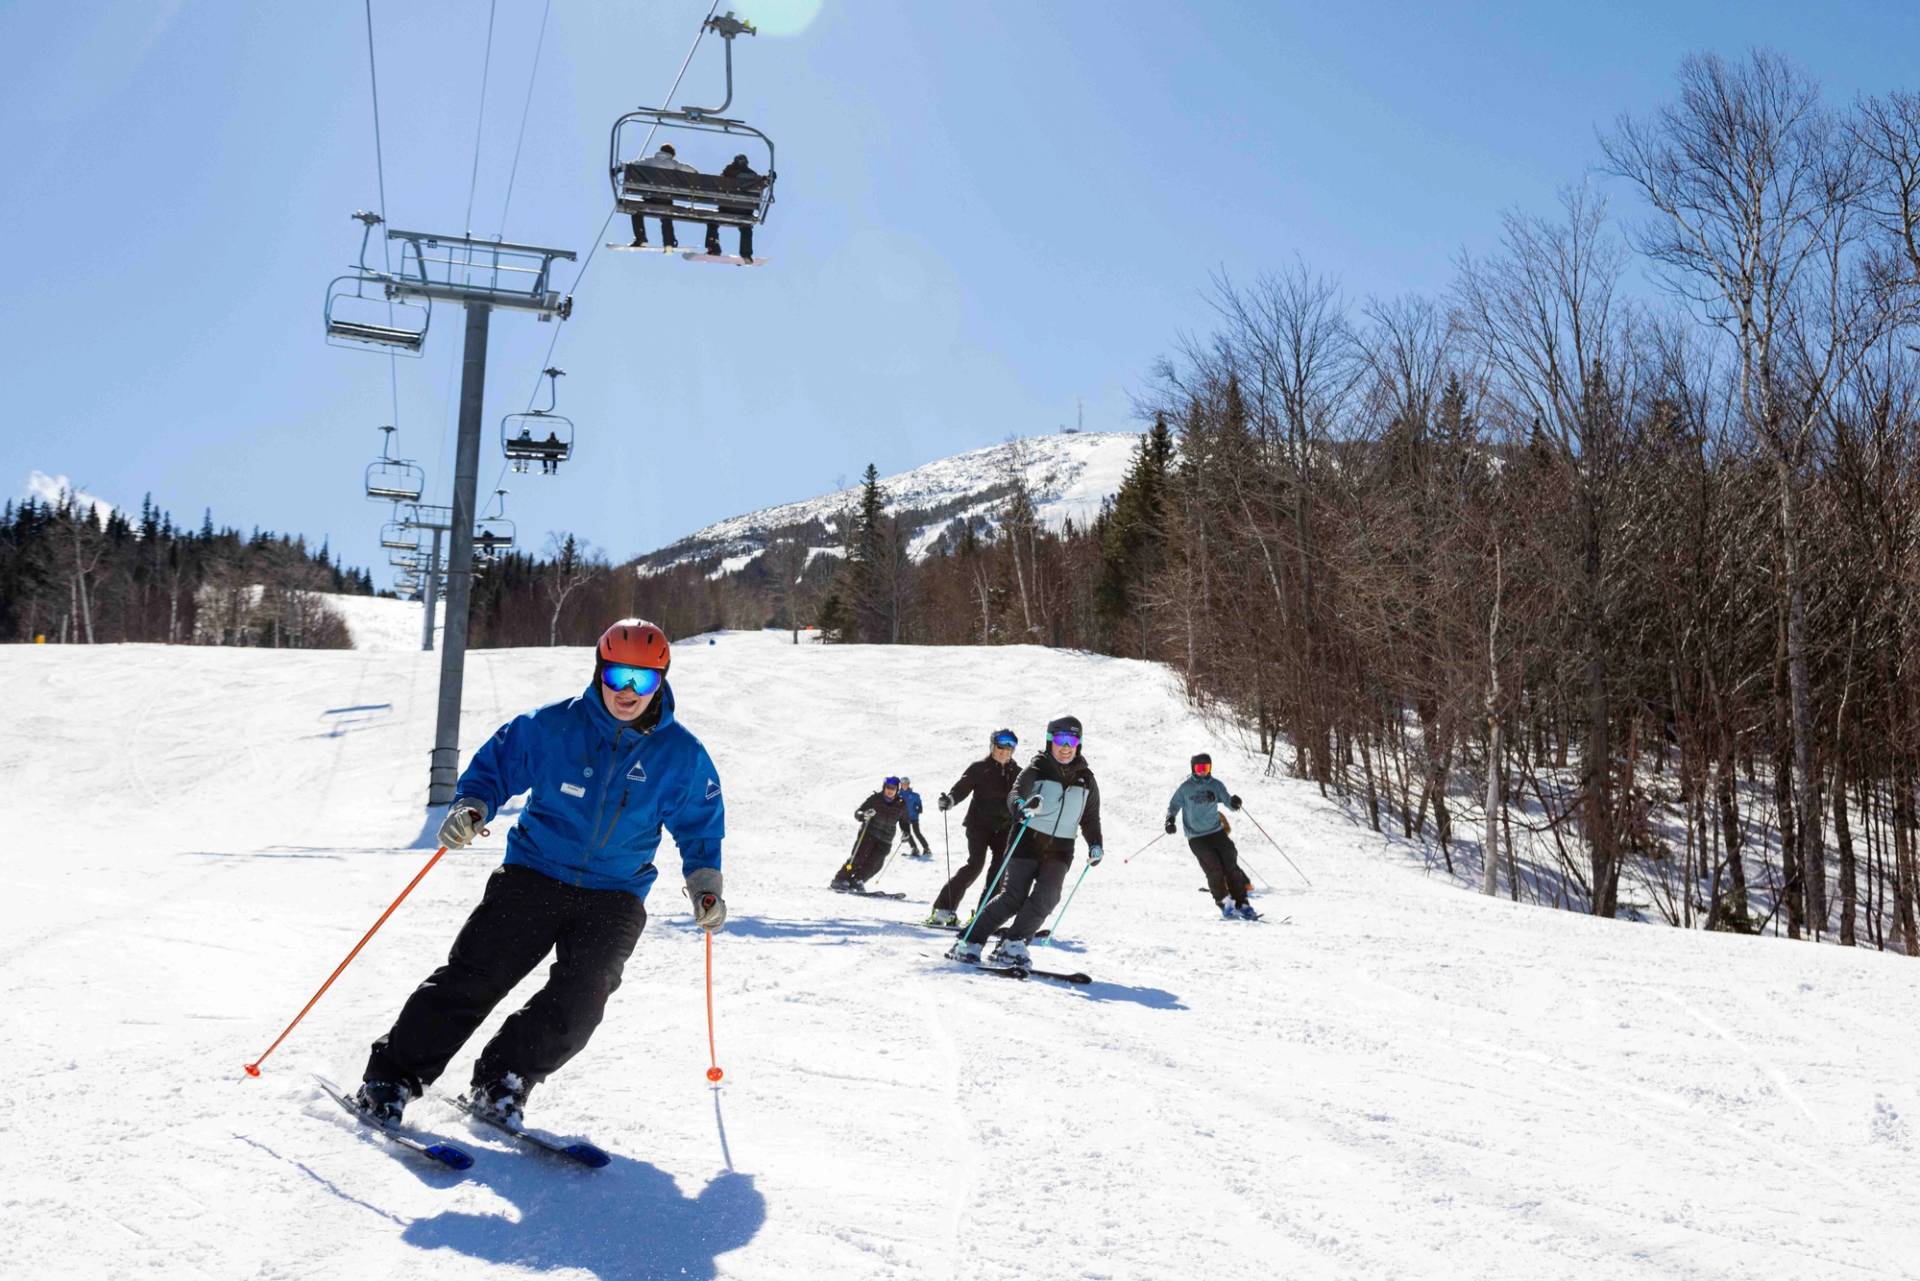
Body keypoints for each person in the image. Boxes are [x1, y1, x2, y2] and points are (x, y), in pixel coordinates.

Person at [353, 618, 726, 1129]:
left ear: (661, 682)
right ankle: (392, 1077)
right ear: (600, 673)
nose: (628, 692)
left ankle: (503, 1077)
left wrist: (705, 885)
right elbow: (495, 767)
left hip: (615, 893)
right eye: (618, 677)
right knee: (477, 976)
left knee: (583, 998)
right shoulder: (551, 726)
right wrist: (472, 807)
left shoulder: (683, 756)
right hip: (534, 873)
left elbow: (700, 825)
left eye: (643, 681)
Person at [947, 716, 1102, 968]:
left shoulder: (1087, 780)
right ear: (1050, 741)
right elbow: (1015, 795)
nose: (1066, 747)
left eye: (1072, 741)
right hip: (1027, 841)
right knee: (1013, 898)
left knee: (1048, 897)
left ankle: (1013, 943)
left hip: (1061, 848)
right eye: (1061, 740)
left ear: (1079, 744)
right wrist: (1021, 806)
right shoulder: (1036, 769)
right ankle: (969, 941)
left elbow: (1091, 817)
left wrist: (1095, 843)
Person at [925, 729, 1021, 927]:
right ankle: (944, 909)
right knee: (975, 865)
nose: (1004, 751)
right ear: (992, 746)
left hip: (1004, 828)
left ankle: (983, 916)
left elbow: (1026, 796)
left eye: (1009, 747)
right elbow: (962, 788)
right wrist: (950, 800)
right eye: (1000, 746)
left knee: (999, 870)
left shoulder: (1018, 773)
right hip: (979, 825)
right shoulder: (980, 768)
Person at [1167, 752, 1257, 920]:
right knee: (1214, 868)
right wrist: (1170, 820)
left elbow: (1228, 802)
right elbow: (1173, 805)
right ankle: (1224, 902)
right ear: (1193, 769)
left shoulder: (1216, 785)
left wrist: (1235, 803)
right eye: (1199, 768)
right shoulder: (1186, 788)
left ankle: (1242, 903)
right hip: (1197, 837)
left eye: (1206, 768)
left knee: (1231, 863)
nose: (1203, 772)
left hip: (1216, 832)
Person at [832, 776, 908, 891]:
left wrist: (906, 832)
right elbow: (858, 813)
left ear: (897, 790)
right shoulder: (875, 799)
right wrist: (865, 815)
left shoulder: (901, 804)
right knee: (858, 858)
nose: (890, 790)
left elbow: (904, 822)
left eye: (893, 788)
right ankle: (840, 879)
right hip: (869, 834)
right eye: (888, 787)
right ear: (884, 787)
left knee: (876, 864)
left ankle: (858, 880)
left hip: (886, 839)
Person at [630, 143, 694, 249]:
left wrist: (619, 168)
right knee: (666, 215)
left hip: (650, 197)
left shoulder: (649, 161)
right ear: (671, 154)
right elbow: (688, 169)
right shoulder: (673, 164)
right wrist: (695, 172)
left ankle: (640, 238)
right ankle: (669, 242)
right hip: (665, 198)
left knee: (636, 211)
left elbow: (632, 164)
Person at [704, 154, 765, 261]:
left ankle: (713, 247)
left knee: (712, 222)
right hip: (746, 210)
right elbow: (763, 184)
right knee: (746, 226)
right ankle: (746, 254)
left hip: (726, 207)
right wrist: (769, 179)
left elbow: (718, 185)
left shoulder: (728, 173)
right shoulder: (753, 176)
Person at [898, 777, 932, 858]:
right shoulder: (898, 795)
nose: (904, 786)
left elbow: (919, 804)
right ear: (901, 785)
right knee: (907, 834)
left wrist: (919, 808)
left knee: (917, 832)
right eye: (903, 784)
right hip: (903, 818)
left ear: (908, 784)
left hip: (913, 816)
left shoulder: (914, 795)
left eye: (906, 784)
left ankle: (926, 848)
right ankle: (914, 848)